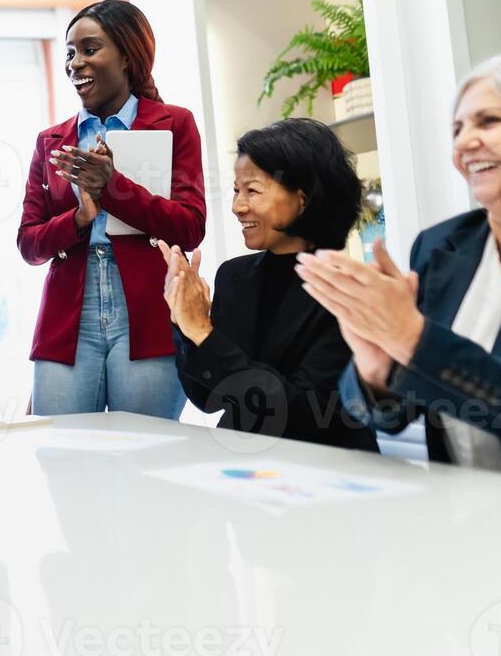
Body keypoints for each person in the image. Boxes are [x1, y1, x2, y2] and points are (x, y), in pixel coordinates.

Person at [298, 52, 501, 471]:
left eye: (488, 121)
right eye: (457, 128)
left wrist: (412, 340)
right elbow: (391, 415)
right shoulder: (440, 246)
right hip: (462, 520)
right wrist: (377, 367)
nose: (465, 142)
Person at [18, 0, 206, 419]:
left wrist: (114, 188)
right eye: (69, 53)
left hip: (148, 310)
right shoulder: (51, 141)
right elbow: (29, 244)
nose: (75, 63)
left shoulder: (175, 124)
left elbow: (190, 227)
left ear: (127, 54)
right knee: (62, 457)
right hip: (68, 315)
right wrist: (80, 218)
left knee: (143, 459)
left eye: (89, 49)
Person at [158, 119, 378, 451]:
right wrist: (184, 320)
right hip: (245, 464)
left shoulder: (348, 289)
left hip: (327, 469)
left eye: (253, 191)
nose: (237, 206)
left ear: (302, 199)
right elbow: (208, 398)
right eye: (236, 190)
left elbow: (301, 412)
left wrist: (204, 333)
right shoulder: (234, 276)